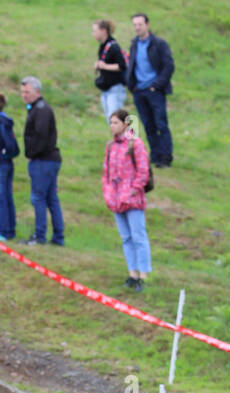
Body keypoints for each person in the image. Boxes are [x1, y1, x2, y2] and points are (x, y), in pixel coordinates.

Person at [102, 107, 151, 292]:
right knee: (126, 238)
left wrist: (131, 191)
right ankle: (132, 273)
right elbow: (106, 173)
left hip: (132, 200)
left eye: (115, 122)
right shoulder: (110, 146)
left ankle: (144, 275)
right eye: (111, 122)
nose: (112, 126)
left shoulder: (135, 144)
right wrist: (108, 193)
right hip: (116, 201)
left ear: (125, 124)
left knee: (138, 236)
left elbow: (143, 172)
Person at [20, 77, 63, 247]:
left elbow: (41, 136)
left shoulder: (42, 110)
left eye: (27, 92)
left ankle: (39, 236)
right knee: (51, 198)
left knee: (38, 198)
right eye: (23, 92)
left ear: (37, 92)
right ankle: (58, 237)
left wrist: (31, 153)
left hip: (43, 161)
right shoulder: (36, 109)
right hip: (47, 160)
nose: (24, 95)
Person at [127, 12, 174, 167]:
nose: (137, 28)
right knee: (148, 125)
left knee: (160, 123)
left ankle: (166, 157)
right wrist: (132, 85)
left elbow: (168, 66)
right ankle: (155, 155)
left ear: (147, 25)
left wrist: (157, 85)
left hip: (154, 91)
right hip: (139, 90)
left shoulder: (159, 44)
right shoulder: (134, 44)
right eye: (135, 25)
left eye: (140, 24)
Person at [93, 19, 128, 123]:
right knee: (111, 120)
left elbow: (122, 65)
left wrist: (104, 66)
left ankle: (128, 139)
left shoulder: (113, 47)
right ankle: (117, 139)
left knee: (116, 120)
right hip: (106, 89)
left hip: (115, 89)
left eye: (95, 31)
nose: (93, 34)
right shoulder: (102, 47)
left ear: (103, 31)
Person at [0, 94, 19, 241]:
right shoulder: (6, 119)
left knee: (2, 197)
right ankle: (10, 229)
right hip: (7, 163)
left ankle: (4, 232)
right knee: (7, 196)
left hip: (1, 163)